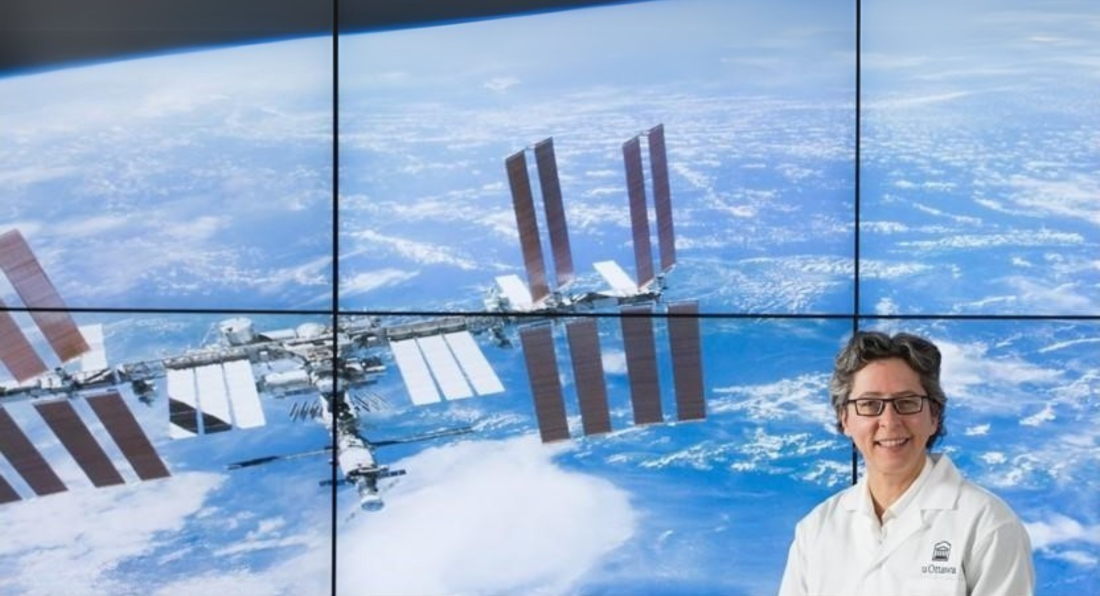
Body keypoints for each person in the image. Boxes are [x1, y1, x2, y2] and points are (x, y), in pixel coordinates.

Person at [778, 331, 1034, 596]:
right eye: (869, 404)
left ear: (934, 416)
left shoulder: (988, 525)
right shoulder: (815, 530)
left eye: (907, 403)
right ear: (845, 419)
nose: (889, 421)